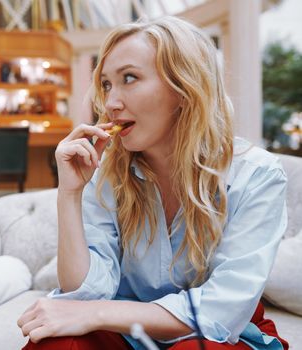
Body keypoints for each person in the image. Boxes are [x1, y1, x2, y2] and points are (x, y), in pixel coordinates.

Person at [17, 16, 289, 350]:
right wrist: (69, 194)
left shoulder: (257, 175)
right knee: (57, 341)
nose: (110, 103)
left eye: (129, 78)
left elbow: (223, 310)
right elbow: (84, 294)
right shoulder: (105, 173)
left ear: (183, 87)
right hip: (128, 332)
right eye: (105, 85)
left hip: (220, 336)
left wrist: (99, 313)